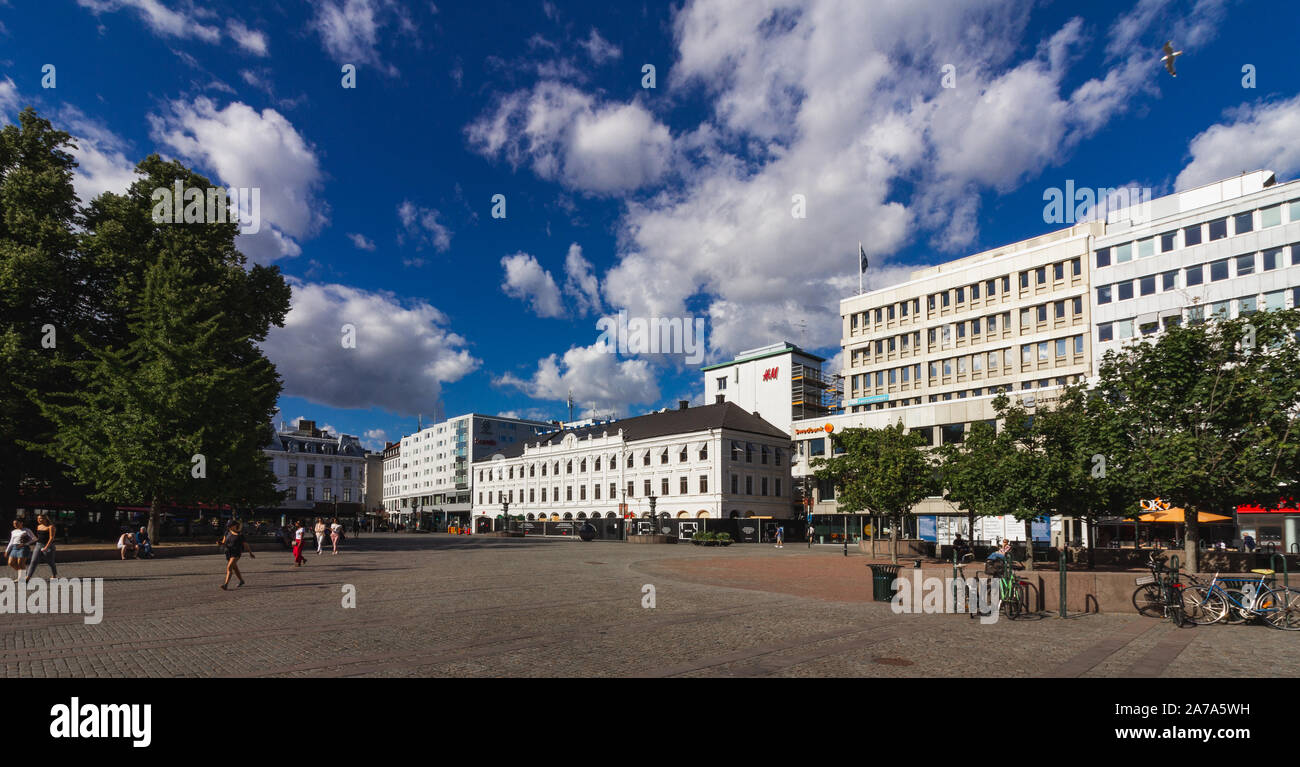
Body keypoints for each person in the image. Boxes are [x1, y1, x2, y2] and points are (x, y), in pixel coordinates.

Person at [219, 521, 254, 590]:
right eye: (228, 526)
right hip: (228, 552)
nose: (228, 527)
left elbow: (245, 545)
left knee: (229, 567)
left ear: (234, 526)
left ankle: (225, 585)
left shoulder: (240, 535)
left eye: (230, 525)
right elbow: (223, 542)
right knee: (235, 568)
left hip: (236, 553)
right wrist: (220, 543)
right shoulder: (227, 533)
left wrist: (250, 553)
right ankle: (241, 581)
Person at [26, 514, 57, 578]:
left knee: (50, 562)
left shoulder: (51, 527)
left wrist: (46, 547)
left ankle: (54, 574)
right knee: (33, 561)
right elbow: (39, 537)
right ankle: (28, 577)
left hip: (49, 546)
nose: (39, 520)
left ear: (45, 519)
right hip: (38, 545)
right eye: (38, 518)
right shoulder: (39, 526)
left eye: (41, 518)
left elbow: (51, 538)